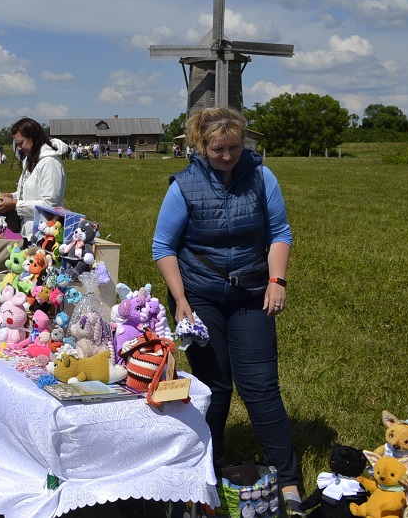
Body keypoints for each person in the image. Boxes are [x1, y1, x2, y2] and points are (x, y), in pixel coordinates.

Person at [151, 107, 300, 514]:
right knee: (215, 388)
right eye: (218, 148)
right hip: (198, 295)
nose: (227, 155)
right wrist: (181, 301)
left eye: (234, 147)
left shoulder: (262, 177)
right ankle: (206, 477)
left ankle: (288, 482)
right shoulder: (184, 185)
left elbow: (280, 232)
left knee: (261, 386)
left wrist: (276, 280)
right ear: (202, 145)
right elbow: (163, 247)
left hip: (252, 292)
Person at [0, 117, 68, 243]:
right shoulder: (30, 160)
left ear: (33, 138)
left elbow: (50, 204)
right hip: (29, 232)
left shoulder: (50, 163)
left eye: (21, 143)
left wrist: (15, 204)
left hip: (46, 236)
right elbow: (28, 193)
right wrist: (10, 196)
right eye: (17, 144)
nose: (19, 148)